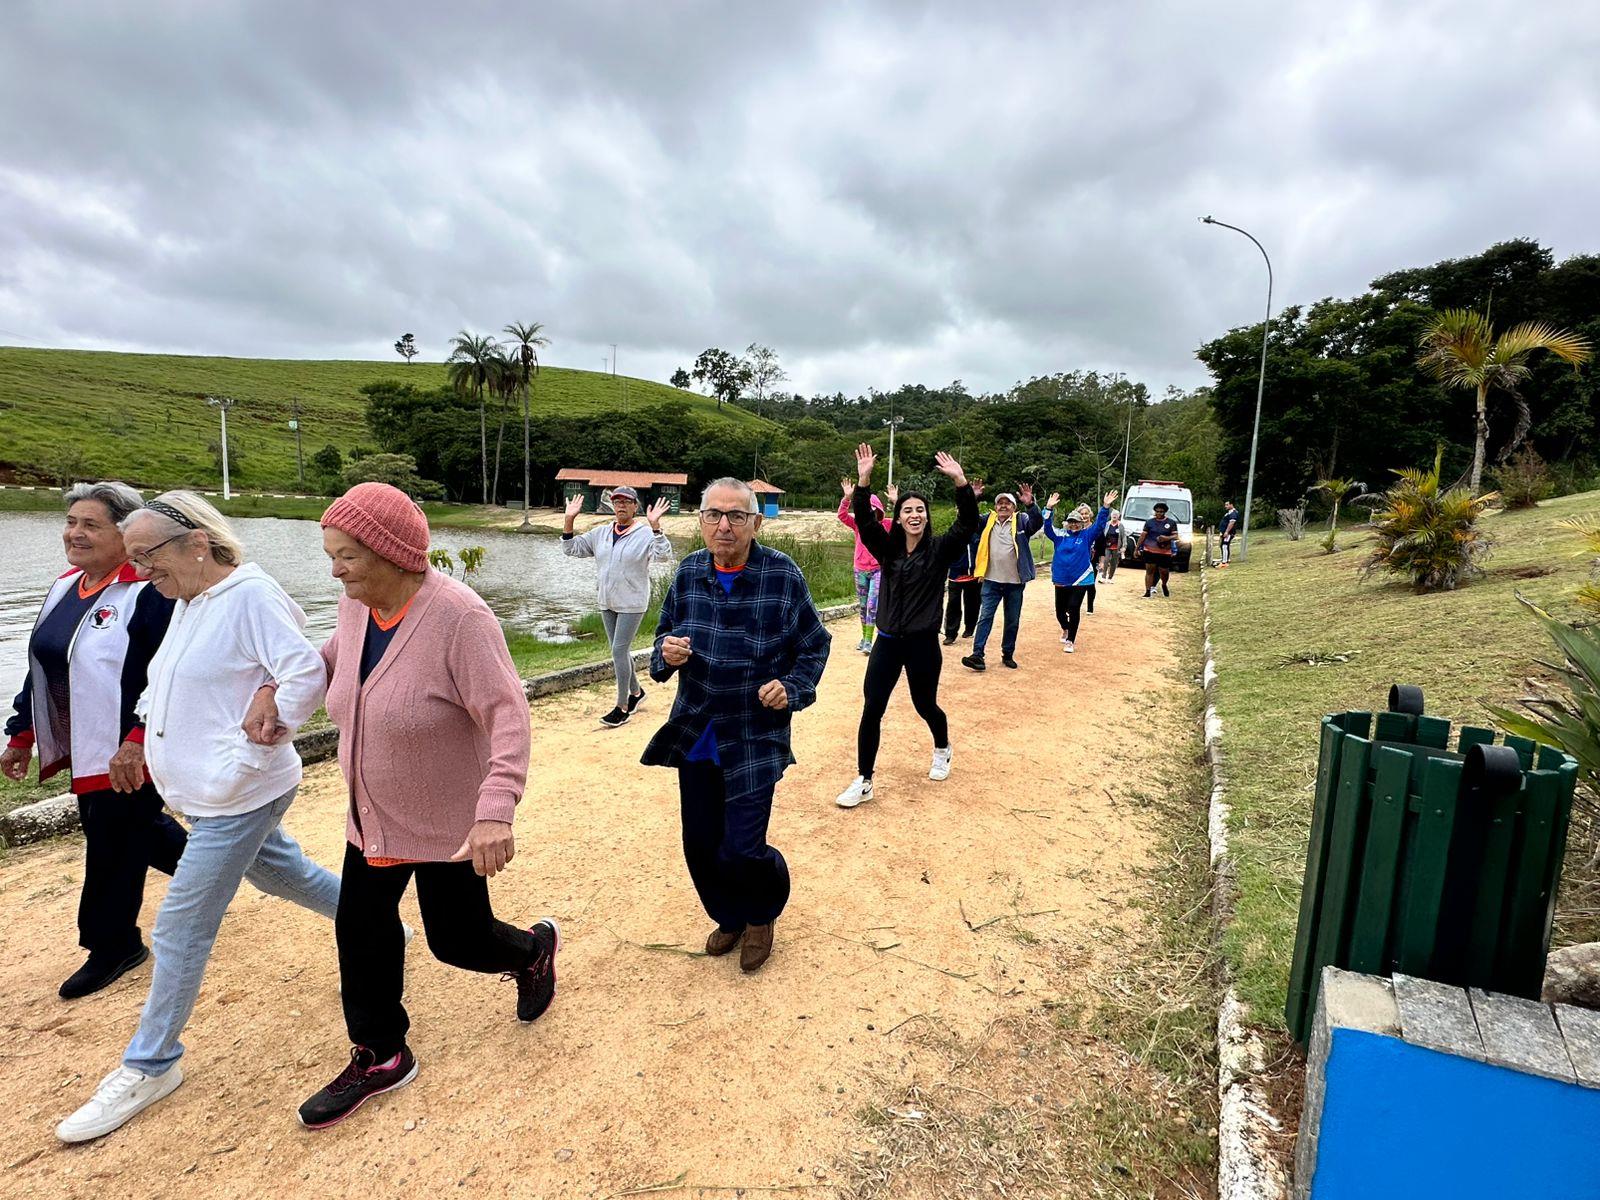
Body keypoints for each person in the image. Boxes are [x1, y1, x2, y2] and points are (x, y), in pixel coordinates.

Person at [56, 492, 340, 1144]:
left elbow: (304, 671)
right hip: (209, 794)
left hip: (238, 797)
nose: (139, 571)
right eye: (133, 559)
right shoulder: (189, 599)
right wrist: (144, 736)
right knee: (283, 874)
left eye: (146, 556)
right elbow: (163, 680)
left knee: (181, 926)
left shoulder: (249, 595)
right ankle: (375, 924)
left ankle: (150, 1065)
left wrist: (247, 756)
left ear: (196, 543)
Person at [284, 482, 556, 1130]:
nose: (335, 570)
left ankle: (531, 952)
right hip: (371, 818)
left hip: (446, 823)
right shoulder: (357, 606)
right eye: (330, 555)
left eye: (347, 556)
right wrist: (279, 694)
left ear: (391, 554)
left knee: (458, 941)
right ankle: (382, 1053)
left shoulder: (461, 619)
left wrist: (495, 810)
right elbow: (334, 658)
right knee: (360, 929)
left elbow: (508, 716)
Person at [2, 482, 187, 1000]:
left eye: (90, 525)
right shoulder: (67, 586)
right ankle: (208, 870)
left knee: (110, 841)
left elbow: (169, 674)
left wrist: (137, 738)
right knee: (130, 829)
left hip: (129, 747)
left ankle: (114, 945)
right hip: (83, 742)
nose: (75, 533)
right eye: (71, 522)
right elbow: (44, 664)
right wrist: (22, 732)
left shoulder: (149, 592)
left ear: (126, 533)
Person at [642, 478, 830, 972]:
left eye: (736, 516)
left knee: (742, 848)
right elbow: (663, 636)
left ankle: (762, 913)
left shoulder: (782, 575)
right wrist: (665, 653)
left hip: (755, 733)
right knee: (700, 845)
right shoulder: (688, 572)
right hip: (698, 729)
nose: (724, 525)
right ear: (701, 520)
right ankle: (729, 915)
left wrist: (792, 687)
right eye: (714, 515)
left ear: (755, 522)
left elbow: (814, 645)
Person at [835, 446, 978, 809]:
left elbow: (967, 523)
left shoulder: (940, 551)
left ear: (927, 517)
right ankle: (864, 779)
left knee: (925, 704)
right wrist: (863, 481)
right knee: (872, 707)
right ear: (897, 518)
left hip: (922, 644)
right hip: (886, 641)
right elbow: (865, 521)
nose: (914, 515)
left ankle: (942, 748)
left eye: (920, 510)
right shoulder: (887, 550)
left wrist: (961, 482)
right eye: (907, 510)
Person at [562, 485, 674, 727]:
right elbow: (570, 549)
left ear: (635, 506)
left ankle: (622, 707)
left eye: (626, 501)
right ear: (612, 505)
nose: (621, 505)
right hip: (607, 601)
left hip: (632, 603)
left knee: (618, 651)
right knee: (620, 651)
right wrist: (569, 519)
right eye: (617, 501)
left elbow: (664, 556)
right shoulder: (600, 533)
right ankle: (637, 692)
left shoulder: (645, 534)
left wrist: (656, 527)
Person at [961, 483, 1044, 672]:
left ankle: (1007, 654)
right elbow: (968, 518)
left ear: (1014, 507)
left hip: (1015, 583)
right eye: (1000, 503)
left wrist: (1031, 504)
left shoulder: (1021, 520)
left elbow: (1037, 522)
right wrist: (973, 498)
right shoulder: (986, 520)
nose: (1003, 506)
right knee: (985, 617)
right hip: (991, 580)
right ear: (995, 506)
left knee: (1012, 620)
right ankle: (977, 655)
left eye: (1008, 503)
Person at [1042, 490, 1117, 653]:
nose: (1074, 524)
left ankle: (1070, 640)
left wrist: (1105, 507)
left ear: (1081, 523)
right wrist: (1048, 508)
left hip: (1081, 578)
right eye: (1071, 522)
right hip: (1061, 578)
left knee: (1074, 607)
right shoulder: (1059, 535)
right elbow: (1047, 527)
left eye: (1077, 522)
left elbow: (1099, 525)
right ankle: (1065, 628)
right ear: (1067, 523)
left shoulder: (1086, 535)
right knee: (1060, 611)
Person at [837, 476, 891, 653]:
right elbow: (842, 515)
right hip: (859, 569)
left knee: (872, 605)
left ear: (878, 510)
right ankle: (864, 637)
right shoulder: (858, 524)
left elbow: (902, 521)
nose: (871, 513)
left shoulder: (886, 525)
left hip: (878, 570)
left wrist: (896, 501)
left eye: (873, 509)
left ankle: (868, 641)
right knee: (863, 606)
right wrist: (847, 498)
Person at [942, 480, 985, 645]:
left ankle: (970, 628)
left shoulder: (977, 529)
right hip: (955, 575)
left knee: (973, 603)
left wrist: (974, 498)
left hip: (973, 574)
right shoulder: (954, 532)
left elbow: (972, 515)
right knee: (953, 604)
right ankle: (950, 633)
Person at [1140, 501, 1181, 598]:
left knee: (1164, 571)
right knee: (1149, 571)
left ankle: (1164, 584)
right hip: (1149, 550)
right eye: (1157, 511)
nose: (1159, 513)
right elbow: (1143, 536)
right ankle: (1147, 591)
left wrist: (1166, 538)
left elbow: (1176, 536)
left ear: (1165, 512)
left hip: (1164, 551)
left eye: (1161, 512)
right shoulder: (1149, 522)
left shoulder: (1171, 523)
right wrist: (1137, 548)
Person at [1098, 509, 1124, 582]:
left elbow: (1123, 537)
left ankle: (1110, 577)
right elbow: (1102, 534)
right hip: (1107, 546)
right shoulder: (1107, 524)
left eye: (1116, 515)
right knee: (1106, 560)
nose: (1114, 516)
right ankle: (1103, 577)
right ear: (1111, 515)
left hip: (1116, 547)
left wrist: (1124, 546)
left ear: (1118, 516)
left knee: (1114, 563)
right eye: (1113, 514)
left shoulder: (1120, 525)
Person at [1217, 500, 1240, 567]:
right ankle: (1226, 559)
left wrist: (1227, 532)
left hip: (1229, 533)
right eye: (1225, 505)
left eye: (1227, 505)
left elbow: (1231, 523)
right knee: (1223, 545)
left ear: (1231, 505)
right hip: (1225, 532)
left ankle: (1224, 562)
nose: (1225, 506)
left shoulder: (1233, 513)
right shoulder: (1229, 512)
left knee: (1225, 545)